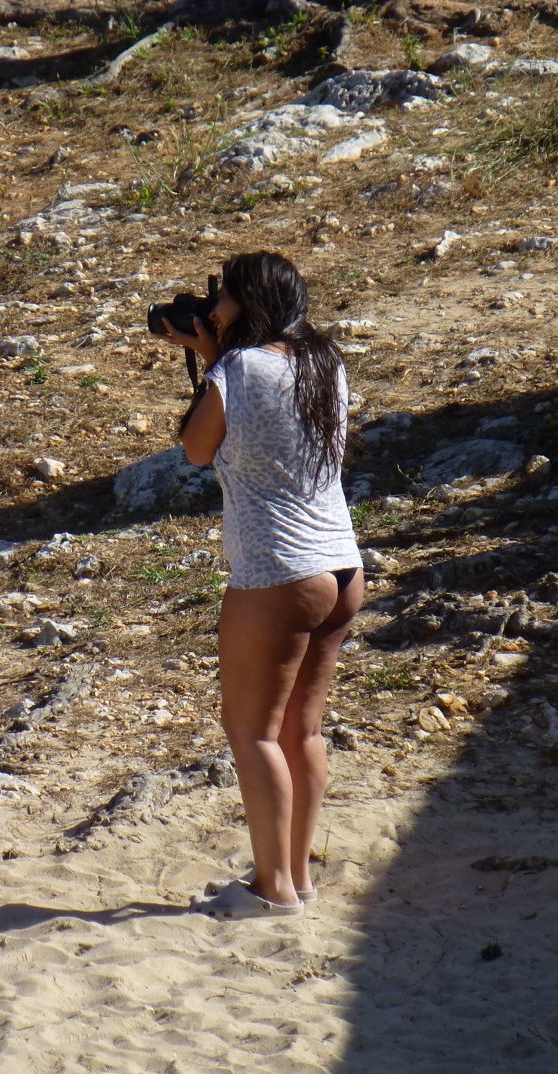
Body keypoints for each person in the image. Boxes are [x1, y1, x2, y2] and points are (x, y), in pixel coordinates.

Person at [156, 251, 364, 920]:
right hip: (341, 564)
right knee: (301, 732)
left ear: (247, 304)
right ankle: (294, 878)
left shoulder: (239, 369)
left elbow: (194, 447)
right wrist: (217, 354)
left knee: (253, 733)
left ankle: (272, 890)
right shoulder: (326, 365)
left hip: (278, 571)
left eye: (223, 300)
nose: (211, 311)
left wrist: (212, 360)